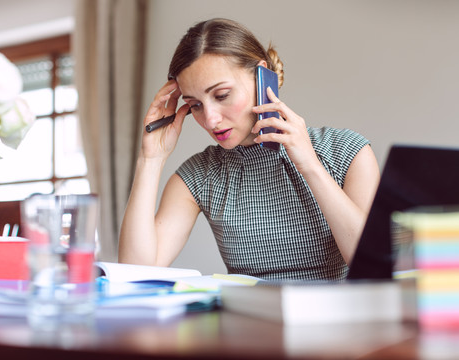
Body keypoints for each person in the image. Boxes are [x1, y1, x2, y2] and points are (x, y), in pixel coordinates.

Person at [119, 18, 380, 281]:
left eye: (221, 95)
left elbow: (373, 268)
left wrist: (310, 166)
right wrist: (150, 158)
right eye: (195, 105)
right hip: (248, 320)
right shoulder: (198, 177)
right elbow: (135, 274)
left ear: (261, 75)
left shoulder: (347, 151)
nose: (210, 119)